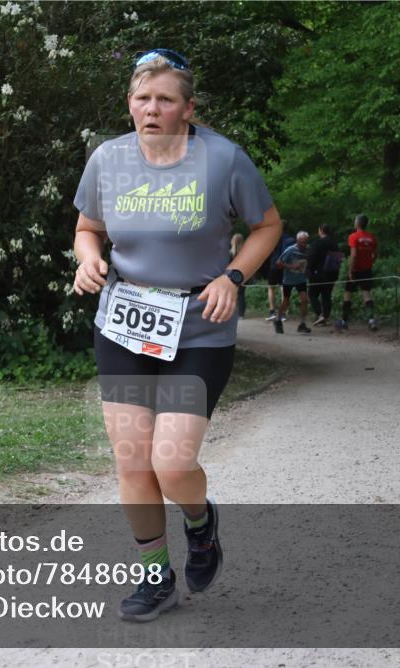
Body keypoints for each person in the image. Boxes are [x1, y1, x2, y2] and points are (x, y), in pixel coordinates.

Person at [72, 48, 281, 622]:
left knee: (171, 461)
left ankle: (200, 523)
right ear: (129, 105)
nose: (152, 109)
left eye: (165, 99)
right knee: (133, 461)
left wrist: (233, 276)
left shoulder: (223, 160)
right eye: (143, 98)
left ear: (188, 108)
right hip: (124, 321)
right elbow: (87, 228)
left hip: (197, 328)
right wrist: (86, 259)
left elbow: (267, 225)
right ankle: (154, 575)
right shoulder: (108, 160)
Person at [335, 214, 378, 332]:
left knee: (348, 294)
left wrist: (350, 270)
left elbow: (353, 255)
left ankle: (344, 321)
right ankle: (371, 320)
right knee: (366, 294)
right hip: (367, 270)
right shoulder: (372, 237)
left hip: (356, 270)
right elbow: (375, 254)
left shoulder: (353, 236)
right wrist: (370, 262)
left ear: (358, 223)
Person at [275, 231, 312, 334]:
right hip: (289, 280)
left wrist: (308, 270)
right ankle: (278, 320)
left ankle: (302, 324)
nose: (303, 245)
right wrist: (291, 266)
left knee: (304, 300)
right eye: (302, 242)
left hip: (301, 279)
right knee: (286, 302)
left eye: (305, 242)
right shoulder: (290, 250)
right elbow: (278, 263)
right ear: (297, 241)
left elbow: (309, 262)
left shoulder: (308, 250)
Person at [306, 223, 341, 326]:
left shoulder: (317, 243)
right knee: (326, 295)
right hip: (332, 273)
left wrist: (309, 270)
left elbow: (311, 257)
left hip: (318, 273)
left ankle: (320, 314)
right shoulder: (334, 243)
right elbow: (338, 258)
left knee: (312, 294)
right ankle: (325, 316)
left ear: (321, 230)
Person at [265, 231, 295, 321]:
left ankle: (272, 312)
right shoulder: (290, 238)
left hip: (274, 265)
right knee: (283, 288)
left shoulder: (273, 236)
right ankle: (283, 314)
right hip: (285, 266)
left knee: (271, 288)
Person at [230, 233, 248, 318]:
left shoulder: (230, 254)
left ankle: (232, 312)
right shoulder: (245, 253)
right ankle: (241, 313)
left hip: (231, 277)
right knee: (241, 295)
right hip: (243, 276)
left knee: (232, 295)